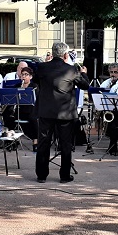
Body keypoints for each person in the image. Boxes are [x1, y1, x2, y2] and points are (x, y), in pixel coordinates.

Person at [34, 42, 89, 183]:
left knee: (43, 143)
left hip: (46, 112)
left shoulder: (42, 67)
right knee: (65, 145)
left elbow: (35, 81)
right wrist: (84, 74)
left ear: (52, 53)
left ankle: (41, 175)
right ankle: (64, 176)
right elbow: (85, 85)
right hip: (65, 113)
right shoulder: (71, 70)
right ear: (65, 55)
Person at [4, 66, 39, 151]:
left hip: (30, 109)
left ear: (30, 76)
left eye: (26, 74)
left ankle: (36, 141)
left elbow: (36, 100)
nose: (23, 76)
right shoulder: (17, 85)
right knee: (8, 115)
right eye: (22, 75)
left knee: (33, 118)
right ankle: (11, 139)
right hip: (19, 109)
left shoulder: (34, 86)